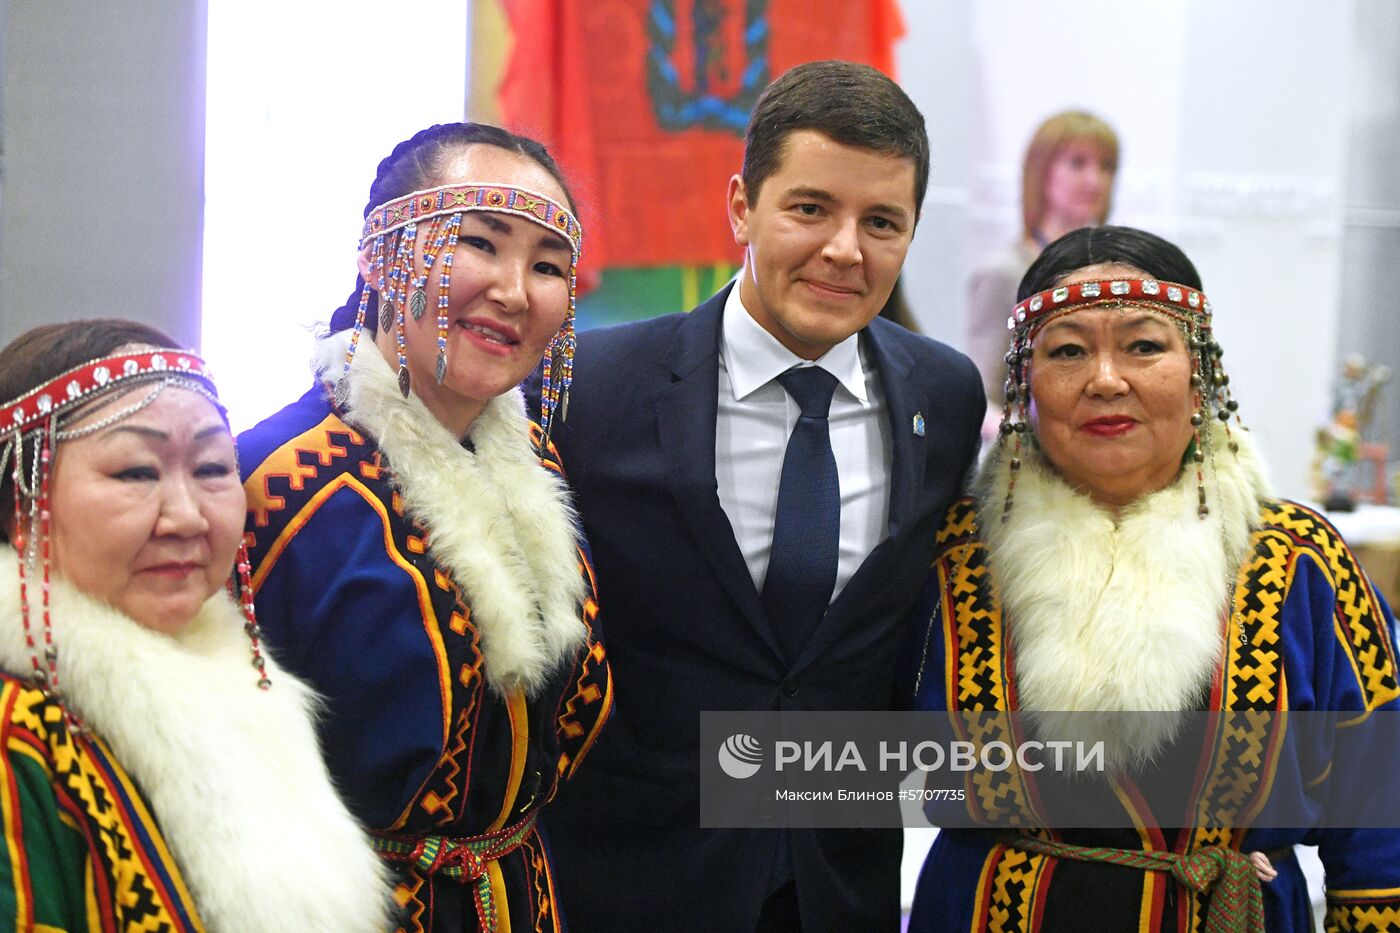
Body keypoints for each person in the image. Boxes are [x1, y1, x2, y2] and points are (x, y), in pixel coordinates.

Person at [533, 61, 985, 931]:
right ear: (743, 205)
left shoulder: (946, 394)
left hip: (839, 886)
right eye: (810, 208)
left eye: (881, 222)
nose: (845, 249)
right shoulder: (590, 387)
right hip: (628, 883)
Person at [907, 226, 1400, 932]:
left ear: (1199, 374)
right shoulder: (953, 557)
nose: (1107, 378)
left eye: (1144, 345)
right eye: (1069, 350)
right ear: (1025, 382)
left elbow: (1380, 812)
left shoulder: (1299, 561)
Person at [238, 123, 612, 933]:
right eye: (482, 243)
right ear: (379, 256)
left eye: (548, 265)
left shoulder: (538, 465)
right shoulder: (268, 482)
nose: (516, 290)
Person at [0, 320, 390, 930]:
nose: (186, 517)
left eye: (212, 468)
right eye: (135, 473)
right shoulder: (15, 739)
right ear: (23, 504)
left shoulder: (246, 687)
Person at [966, 110, 1118, 412]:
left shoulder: (1119, 271)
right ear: (1042, 172)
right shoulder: (1006, 271)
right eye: (1078, 163)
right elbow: (982, 395)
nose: (1094, 180)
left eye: (1106, 166)